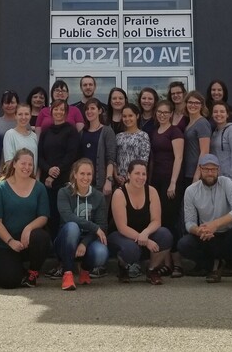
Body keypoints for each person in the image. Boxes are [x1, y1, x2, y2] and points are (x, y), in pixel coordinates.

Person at [179, 154, 232, 289]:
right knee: (184, 244)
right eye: (206, 169)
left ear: (218, 170)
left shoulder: (226, 183)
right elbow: (189, 223)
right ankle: (214, 265)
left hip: (229, 234)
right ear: (200, 170)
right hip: (208, 237)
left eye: (213, 169)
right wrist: (198, 230)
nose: (210, 173)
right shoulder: (191, 191)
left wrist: (215, 224)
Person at [0, 149, 51, 288]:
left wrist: (29, 228)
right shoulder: (1, 187)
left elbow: (43, 216)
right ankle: (5, 270)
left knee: (42, 237)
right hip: (6, 243)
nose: (27, 167)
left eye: (30, 164)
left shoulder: (39, 188)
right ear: (14, 164)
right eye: (23, 163)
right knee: (8, 282)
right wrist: (10, 241)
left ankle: (32, 273)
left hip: (28, 241)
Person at [108, 160, 174, 284]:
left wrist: (146, 233)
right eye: (137, 173)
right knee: (131, 249)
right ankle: (123, 267)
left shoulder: (152, 191)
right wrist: (144, 239)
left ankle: (151, 270)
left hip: (144, 233)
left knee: (165, 235)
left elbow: (156, 221)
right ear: (128, 175)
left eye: (144, 174)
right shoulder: (119, 193)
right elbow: (122, 227)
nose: (141, 177)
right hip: (120, 235)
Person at [55, 159, 109, 290]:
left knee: (102, 252)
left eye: (89, 174)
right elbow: (68, 217)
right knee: (73, 226)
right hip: (66, 240)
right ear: (75, 174)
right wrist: (94, 228)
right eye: (82, 173)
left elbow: (102, 225)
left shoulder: (99, 196)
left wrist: (84, 243)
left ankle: (85, 270)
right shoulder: (64, 192)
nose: (85, 177)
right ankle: (67, 273)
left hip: (88, 240)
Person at [149, 98, 185, 276]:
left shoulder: (175, 132)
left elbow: (178, 158)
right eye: (159, 112)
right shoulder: (155, 132)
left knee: (170, 223)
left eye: (165, 112)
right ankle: (166, 264)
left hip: (170, 183)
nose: (162, 115)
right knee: (160, 222)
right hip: (156, 182)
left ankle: (177, 264)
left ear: (171, 114)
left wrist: (173, 183)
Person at [38, 99, 80, 244]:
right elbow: (40, 156)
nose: (59, 112)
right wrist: (49, 170)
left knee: (64, 215)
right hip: (47, 181)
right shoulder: (45, 132)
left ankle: (64, 246)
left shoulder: (71, 131)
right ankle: (52, 245)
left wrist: (56, 171)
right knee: (50, 215)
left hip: (64, 180)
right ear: (51, 111)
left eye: (62, 109)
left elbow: (71, 155)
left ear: (66, 112)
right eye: (56, 109)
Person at [80, 99, 117, 198]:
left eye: (93, 108)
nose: (89, 111)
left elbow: (111, 158)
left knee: (101, 213)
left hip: (101, 184)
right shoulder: (82, 132)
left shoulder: (107, 131)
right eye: (87, 109)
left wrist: (108, 181)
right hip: (84, 183)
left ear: (100, 111)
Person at [210, 102, 232, 195]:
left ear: (227, 114)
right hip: (218, 180)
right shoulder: (214, 133)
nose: (218, 114)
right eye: (215, 112)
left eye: (222, 111)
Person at [115, 103, 151, 185]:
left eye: (130, 115)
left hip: (136, 180)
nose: (127, 119)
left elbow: (144, 160)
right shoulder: (118, 136)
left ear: (137, 116)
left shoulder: (143, 136)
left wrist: (132, 177)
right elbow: (114, 160)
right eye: (124, 116)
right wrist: (116, 176)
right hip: (119, 181)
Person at [3, 102, 39, 167]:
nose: (23, 117)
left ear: (30, 116)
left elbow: (36, 161)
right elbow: (9, 162)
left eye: (26, 114)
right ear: (15, 116)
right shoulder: (10, 134)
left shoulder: (34, 136)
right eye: (20, 114)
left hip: (32, 176)